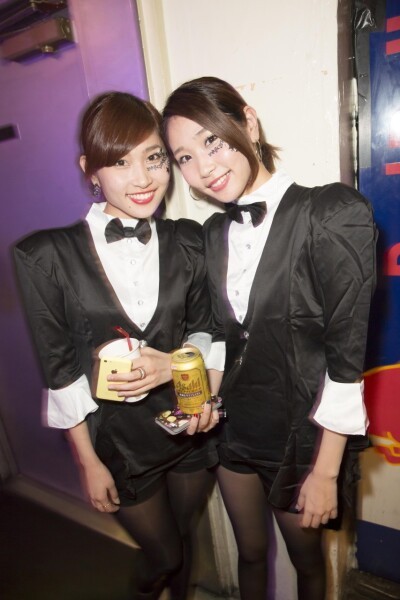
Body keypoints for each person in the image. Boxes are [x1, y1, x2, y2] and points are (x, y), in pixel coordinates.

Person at [163, 76, 377, 600]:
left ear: (249, 122)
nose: (204, 167)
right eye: (185, 157)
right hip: (233, 430)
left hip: (301, 438)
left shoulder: (331, 213)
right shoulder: (213, 235)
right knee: (251, 552)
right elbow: (223, 335)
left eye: (212, 141)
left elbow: (346, 358)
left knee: (307, 564)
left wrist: (326, 471)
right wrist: (204, 398)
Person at [13, 91, 220, 600]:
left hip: (188, 425)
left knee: (184, 537)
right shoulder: (46, 256)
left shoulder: (188, 239)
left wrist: (183, 374)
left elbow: (205, 328)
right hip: (119, 443)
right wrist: (88, 462)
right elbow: (60, 367)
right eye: (120, 162)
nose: (143, 178)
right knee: (164, 555)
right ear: (90, 169)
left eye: (154, 158)